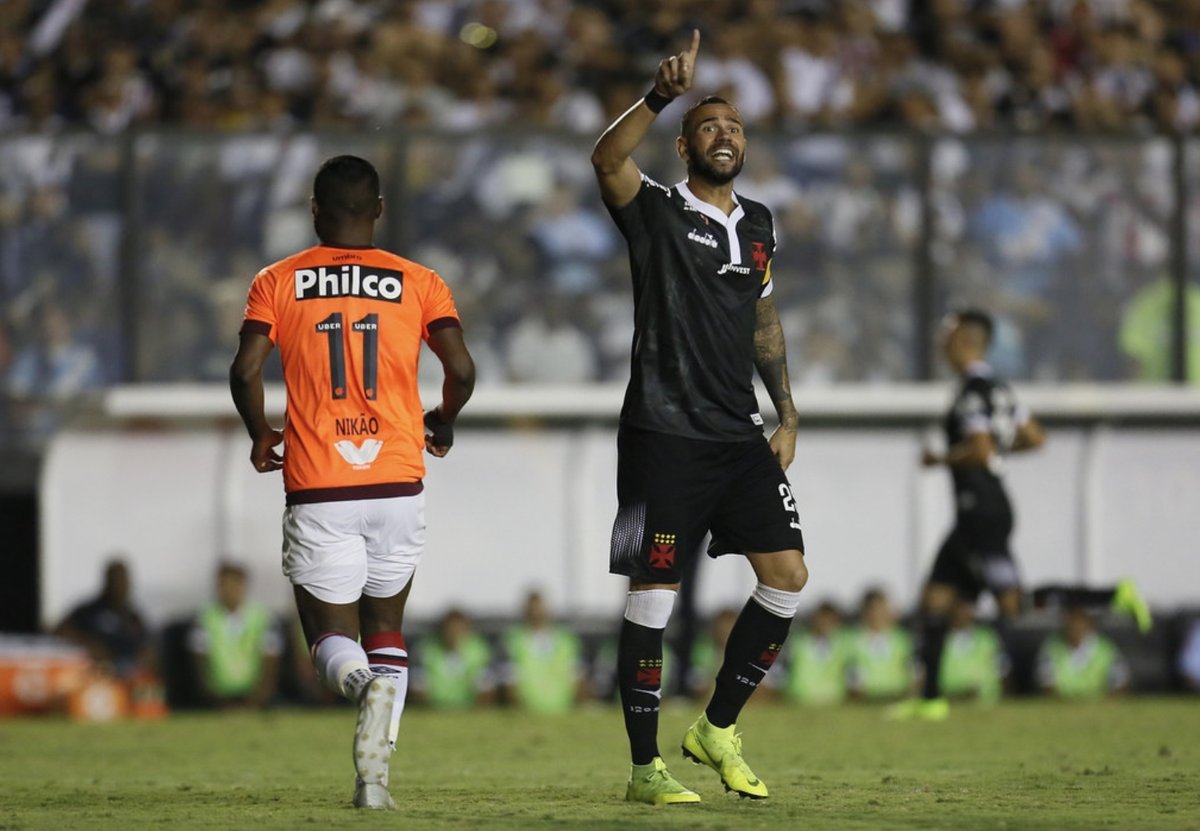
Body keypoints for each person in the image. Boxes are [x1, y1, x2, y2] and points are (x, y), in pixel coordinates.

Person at [591, 30, 809, 805]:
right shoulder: (653, 210)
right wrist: (658, 94)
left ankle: (716, 727)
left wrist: (785, 411)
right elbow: (607, 160)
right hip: (658, 435)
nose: (727, 134)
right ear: (684, 145)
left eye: (737, 126)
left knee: (787, 578)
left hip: (738, 435)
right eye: (711, 126)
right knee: (652, 595)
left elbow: (764, 319)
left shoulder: (758, 224)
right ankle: (645, 767)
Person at [229, 155, 475, 810]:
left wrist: (260, 431)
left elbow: (247, 366)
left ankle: (364, 683)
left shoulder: (277, 280)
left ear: (314, 211)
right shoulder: (420, 280)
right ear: (380, 209)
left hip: (320, 484)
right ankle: (374, 781)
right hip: (398, 479)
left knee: (328, 638)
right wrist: (443, 421)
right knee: (386, 624)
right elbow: (462, 366)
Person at [898, 308, 1148, 721]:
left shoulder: (971, 394)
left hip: (981, 511)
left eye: (947, 337)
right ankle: (929, 699)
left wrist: (941, 458)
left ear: (963, 340)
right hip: (977, 512)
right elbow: (1034, 437)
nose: (942, 345)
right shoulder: (999, 389)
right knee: (934, 600)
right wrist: (994, 449)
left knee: (1014, 606)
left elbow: (979, 450)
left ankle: (1114, 595)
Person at [187, 561, 283, 710]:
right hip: (218, 697)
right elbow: (200, 665)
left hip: (253, 695)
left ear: (243, 586)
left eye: (234, 585)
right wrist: (216, 699)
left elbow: (270, 663)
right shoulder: (203, 618)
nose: (229, 590)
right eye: (224, 585)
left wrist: (257, 699)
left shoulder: (264, 617)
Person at [54, 558, 154, 682]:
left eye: (123, 580)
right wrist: (87, 645)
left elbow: (146, 647)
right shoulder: (88, 611)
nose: (120, 585)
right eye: (115, 580)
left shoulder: (134, 617)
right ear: (106, 581)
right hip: (95, 673)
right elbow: (59, 631)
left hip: (128, 675)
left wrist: (143, 660)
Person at [499, 590, 588, 714]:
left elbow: (577, 677)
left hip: (563, 710)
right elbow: (510, 681)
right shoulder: (514, 641)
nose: (536, 613)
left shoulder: (566, 640)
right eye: (532, 609)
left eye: (539, 608)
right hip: (528, 712)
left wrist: (578, 709)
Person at [1037, 605, 1130, 699]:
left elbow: (1120, 684)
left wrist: (1103, 705)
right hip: (1063, 707)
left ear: (1089, 623)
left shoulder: (1105, 648)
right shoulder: (1052, 646)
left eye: (1079, 621)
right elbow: (1047, 686)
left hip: (1099, 707)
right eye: (1071, 621)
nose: (1075, 627)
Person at [411, 608, 496, 710]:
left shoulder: (478, 650)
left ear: (467, 630)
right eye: (450, 629)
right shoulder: (426, 649)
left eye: (458, 629)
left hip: (468, 710)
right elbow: (418, 688)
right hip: (435, 710)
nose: (453, 633)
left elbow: (485, 688)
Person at [846, 588, 916, 702]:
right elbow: (851, 673)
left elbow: (913, 672)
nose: (878, 614)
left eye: (882, 608)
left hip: (898, 699)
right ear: (865, 611)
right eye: (874, 609)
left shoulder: (902, 639)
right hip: (866, 702)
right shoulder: (852, 641)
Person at [779, 600, 852, 707]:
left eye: (829, 620)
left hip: (834, 703)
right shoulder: (796, 644)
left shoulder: (844, 647)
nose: (825, 623)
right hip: (798, 703)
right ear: (814, 619)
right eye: (822, 619)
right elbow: (779, 674)